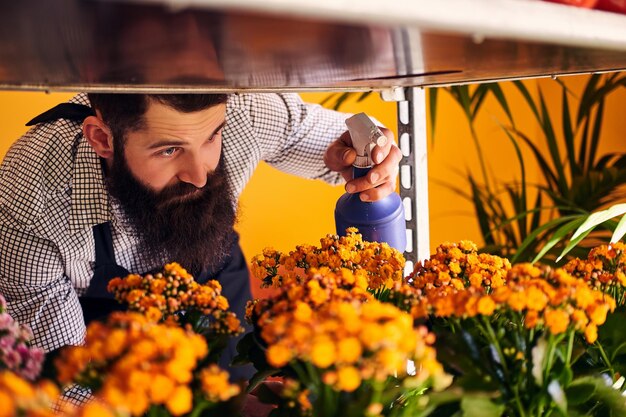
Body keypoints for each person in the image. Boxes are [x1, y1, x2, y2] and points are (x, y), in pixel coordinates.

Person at [0, 92, 400, 382]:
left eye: (211, 137)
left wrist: (368, 160)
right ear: (102, 139)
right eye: (169, 150)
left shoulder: (244, 111)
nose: (200, 174)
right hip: (96, 329)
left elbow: (346, 149)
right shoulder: (31, 194)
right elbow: (69, 379)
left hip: (213, 279)